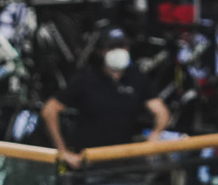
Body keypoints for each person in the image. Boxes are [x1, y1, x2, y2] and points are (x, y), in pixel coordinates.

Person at [41, 29, 170, 169]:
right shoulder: (86, 80)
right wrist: (63, 151)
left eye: (122, 46)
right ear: (101, 51)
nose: (118, 51)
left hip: (123, 161)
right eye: (112, 47)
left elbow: (161, 111)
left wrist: (155, 135)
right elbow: (49, 110)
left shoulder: (138, 79)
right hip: (88, 161)